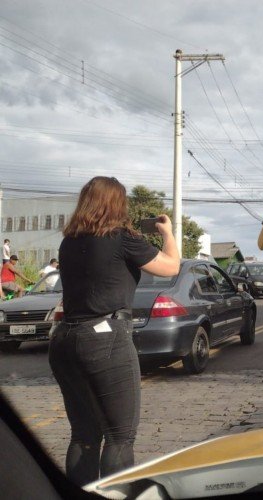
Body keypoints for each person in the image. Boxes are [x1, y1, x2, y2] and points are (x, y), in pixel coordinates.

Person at [48, 176, 180, 485]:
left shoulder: (70, 241)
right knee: (120, 436)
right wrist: (167, 233)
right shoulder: (122, 238)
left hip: (65, 339)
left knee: (84, 435)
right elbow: (171, 266)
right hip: (105, 338)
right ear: (117, 204)